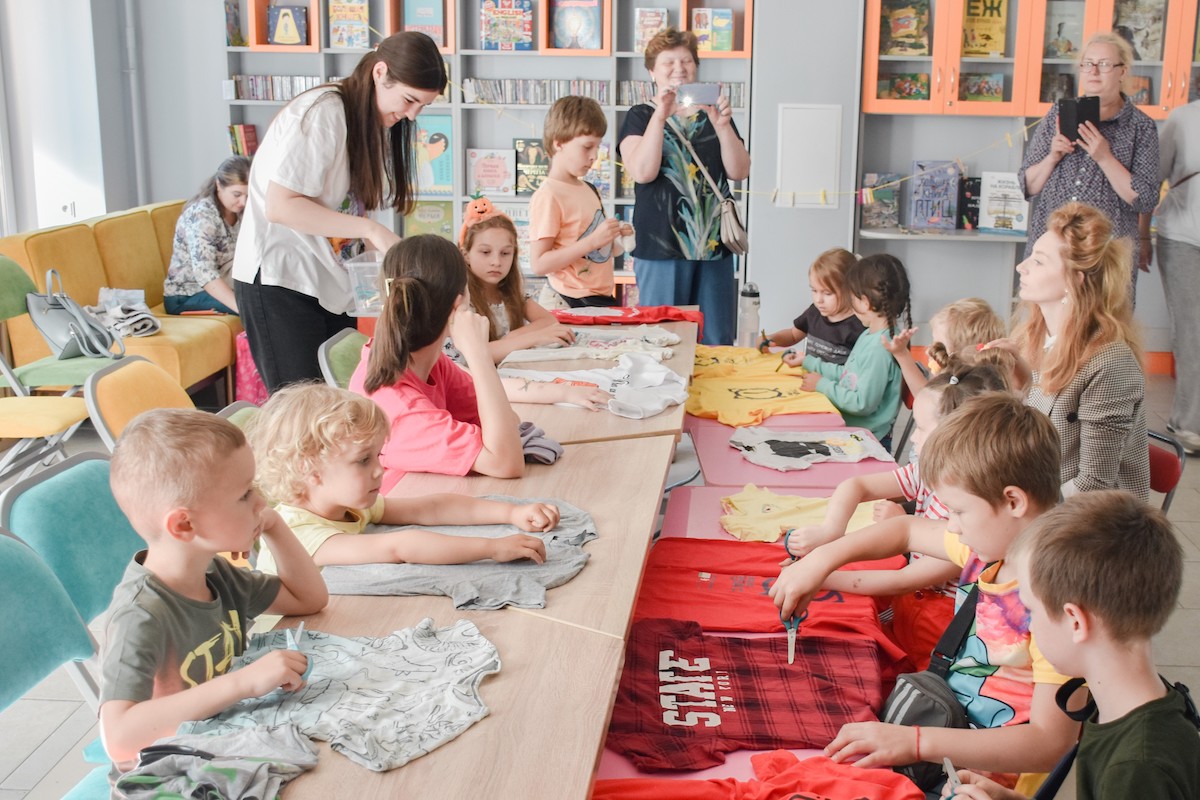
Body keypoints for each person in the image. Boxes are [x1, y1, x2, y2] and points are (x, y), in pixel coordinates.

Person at [770, 393, 1078, 794]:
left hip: (984, 783)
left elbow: (1049, 743)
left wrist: (915, 743)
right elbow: (906, 529)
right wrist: (822, 560)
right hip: (944, 736)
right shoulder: (996, 548)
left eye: (959, 512)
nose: (951, 527)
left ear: (1013, 501)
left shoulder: (1057, 606)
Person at [98, 409, 328, 768]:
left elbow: (309, 599)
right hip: (174, 771)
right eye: (245, 494)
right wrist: (243, 683)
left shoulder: (213, 571)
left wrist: (274, 526)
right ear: (184, 525)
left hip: (229, 738)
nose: (261, 501)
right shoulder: (139, 615)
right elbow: (119, 739)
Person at [947, 491, 1200, 800]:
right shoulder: (1127, 706)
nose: (1030, 627)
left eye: (1031, 612)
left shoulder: (1137, 769)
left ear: (1076, 622)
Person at [233, 32, 448, 392]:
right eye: (410, 100)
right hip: (281, 280)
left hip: (327, 282)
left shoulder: (372, 122)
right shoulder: (324, 113)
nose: (412, 115)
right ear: (380, 72)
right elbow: (280, 206)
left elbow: (347, 208)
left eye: (422, 106)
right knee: (303, 412)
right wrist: (370, 230)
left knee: (341, 407)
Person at [788, 362, 1009, 670]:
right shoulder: (928, 472)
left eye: (921, 428)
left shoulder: (973, 525)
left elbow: (903, 579)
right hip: (909, 606)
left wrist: (821, 577)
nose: (914, 439)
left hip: (936, 624)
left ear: (954, 434)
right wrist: (830, 531)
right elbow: (857, 486)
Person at [247, 383, 553, 573]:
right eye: (363, 460)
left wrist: (511, 513)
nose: (379, 470)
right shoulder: (297, 533)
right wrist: (491, 548)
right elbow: (400, 547)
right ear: (309, 469)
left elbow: (429, 508)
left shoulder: (345, 504)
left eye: (377, 455)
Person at [992, 201, 1149, 501]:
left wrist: (1014, 512)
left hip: (1087, 522)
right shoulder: (1029, 338)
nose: (1021, 266)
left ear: (1074, 280)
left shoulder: (1111, 363)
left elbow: (1093, 485)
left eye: (1039, 261)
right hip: (1033, 499)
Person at [349, 235, 525, 493]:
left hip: (427, 497)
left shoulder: (426, 361)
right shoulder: (401, 408)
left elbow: (508, 423)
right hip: (399, 508)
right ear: (459, 304)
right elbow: (507, 462)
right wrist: (478, 354)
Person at [618, 27, 751, 345]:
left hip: (714, 244)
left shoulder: (714, 114)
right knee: (662, 337)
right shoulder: (640, 116)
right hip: (660, 245)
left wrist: (722, 127)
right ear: (652, 72)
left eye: (687, 61)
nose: (679, 68)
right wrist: (660, 117)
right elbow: (643, 172)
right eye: (669, 62)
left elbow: (740, 171)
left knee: (716, 339)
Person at [1018, 32, 1159, 299]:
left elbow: (1145, 198)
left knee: (1103, 321)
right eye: (1087, 64)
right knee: (1044, 320)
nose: (1093, 71)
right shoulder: (1057, 114)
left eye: (1104, 64)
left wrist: (1104, 157)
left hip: (1106, 253)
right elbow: (1028, 186)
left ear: (1122, 72)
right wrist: (1052, 157)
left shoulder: (1141, 127)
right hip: (1051, 251)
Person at [529, 96, 633, 308]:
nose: (594, 156)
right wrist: (593, 241)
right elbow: (539, 264)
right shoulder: (549, 195)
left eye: (597, 147)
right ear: (559, 143)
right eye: (587, 147)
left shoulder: (589, 189)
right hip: (566, 302)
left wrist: (617, 238)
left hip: (597, 300)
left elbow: (600, 254)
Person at [797, 253, 911, 445]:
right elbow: (849, 375)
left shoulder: (880, 348)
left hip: (867, 440)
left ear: (865, 302)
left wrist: (822, 385)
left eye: (851, 296)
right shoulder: (870, 334)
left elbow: (861, 403)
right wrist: (808, 362)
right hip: (854, 432)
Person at [1155, 98, 1200, 453]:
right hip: (1185, 239)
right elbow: (1151, 179)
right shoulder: (1183, 118)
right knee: (1193, 332)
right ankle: (1188, 425)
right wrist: (1142, 236)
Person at [164, 156, 250, 315]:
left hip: (226, 282)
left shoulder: (240, 212)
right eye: (237, 194)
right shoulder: (202, 215)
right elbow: (205, 274)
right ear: (219, 185)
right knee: (258, 309)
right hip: (187, 295)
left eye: (248, 195)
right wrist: (244, 309)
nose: (243, 202)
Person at [759, 247, 865, 369]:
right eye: (814, 290)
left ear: (850, 290)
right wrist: (771, 339)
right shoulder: (815, 311)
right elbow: (793, 335)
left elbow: (856, 371)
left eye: (827, 293)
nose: (818, 300)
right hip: (806, 379)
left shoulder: (859, 326)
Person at [884, 297, 1010, 396]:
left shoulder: (957, 396)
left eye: (939, 346)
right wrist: (902, 354)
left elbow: (922, 394)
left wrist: (902, 355)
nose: (928, 351)